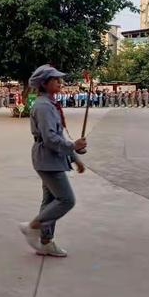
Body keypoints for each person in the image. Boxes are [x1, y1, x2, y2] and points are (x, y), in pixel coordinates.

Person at [19, 65, 87, 257]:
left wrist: (75, 158)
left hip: (52, 158)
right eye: (56, 79)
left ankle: (46, 241)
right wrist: (73, 146)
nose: (60, 82)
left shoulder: (50, 104)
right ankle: (33, 226)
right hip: (47, 158)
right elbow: (50, 139)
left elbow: (59, 135)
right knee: (66, 200)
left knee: (50, 200)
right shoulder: (43, 106)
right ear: (45, 83)